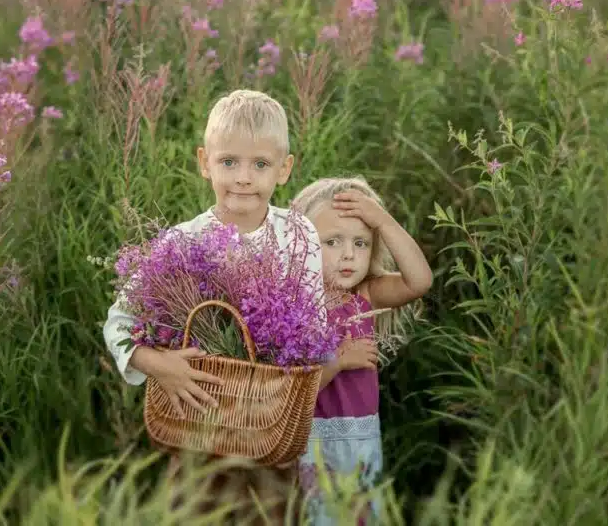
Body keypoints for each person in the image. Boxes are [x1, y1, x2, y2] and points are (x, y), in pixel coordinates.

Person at [102, 89, 327, 522]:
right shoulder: (182, 241)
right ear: (204, 162)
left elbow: (313, 329)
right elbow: (119, 322)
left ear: (284, 170)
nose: (244, 177)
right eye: (229, 162)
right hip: (197, 422)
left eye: (260, 165)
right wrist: (158, 364)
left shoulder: (297, 235)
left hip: (269, 429)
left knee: (271, 512)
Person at [290, 176, 433, 525]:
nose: (349, 254)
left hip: (361, 441)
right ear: (302, 243)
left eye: (361, 242)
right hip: (312, 441)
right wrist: (339, 361)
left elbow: (420, 281)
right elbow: (290, 389)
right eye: (333, 242)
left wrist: (382, 220)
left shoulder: (364, 297)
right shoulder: (294, 305)